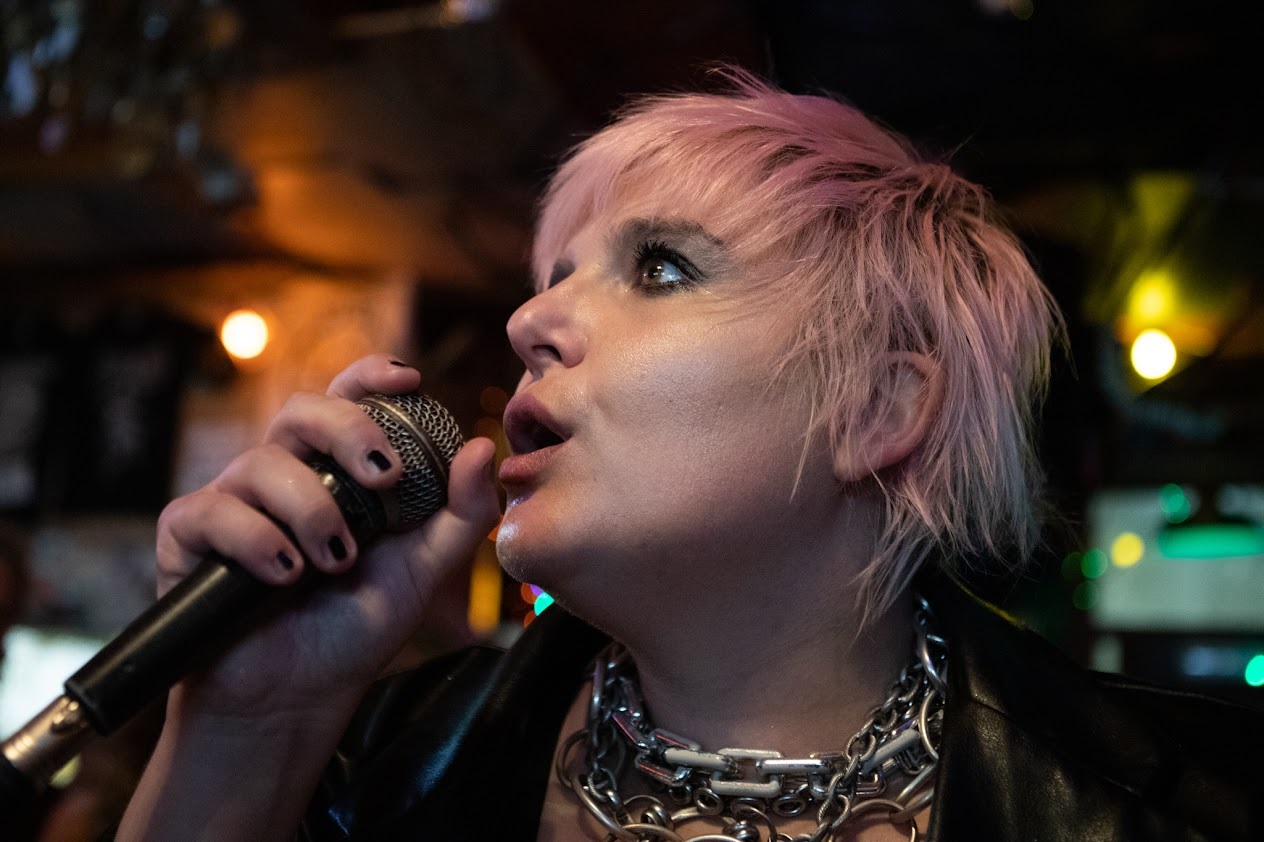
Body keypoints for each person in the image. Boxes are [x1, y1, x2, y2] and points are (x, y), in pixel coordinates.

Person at [115, 67, 1264, 841]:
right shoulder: (372, 760)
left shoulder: (1186, 800)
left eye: (660, 268)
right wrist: (247, 732)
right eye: (553, 279)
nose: (528, 321)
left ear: (876, 407)